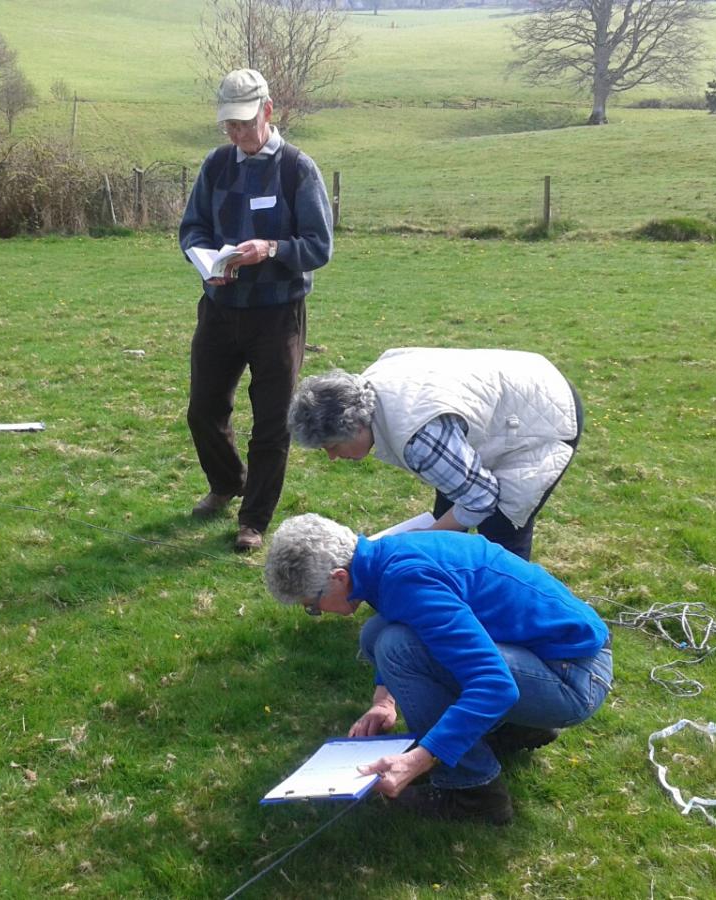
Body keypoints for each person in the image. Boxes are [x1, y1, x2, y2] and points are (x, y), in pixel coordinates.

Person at [263, 513, 612, 825]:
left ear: (339, 577)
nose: (318, 613)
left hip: (572, 678)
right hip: (548, 655)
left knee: (397, 647)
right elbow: (411, 618)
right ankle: (518, 728)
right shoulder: (380, 560)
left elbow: (495, 684)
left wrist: (418, 760)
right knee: (377, 633)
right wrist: (384, 701)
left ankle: (474, 792)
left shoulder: (406, 580)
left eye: (312, 606)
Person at [179, 68, 334, 553]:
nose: (237, 133)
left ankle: (253, 519)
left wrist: (269, 249)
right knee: (203, 410)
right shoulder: (216, 165)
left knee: (271, 423)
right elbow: (193, 229)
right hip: (221, 309)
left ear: (268, 111)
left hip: (277, 315)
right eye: (229, 124)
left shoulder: (296, 169)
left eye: (245, 123)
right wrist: (206, 262)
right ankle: (227, 482)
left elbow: (319, 246)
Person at [287, 347, 583, 560]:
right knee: (450, 513)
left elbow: (482, 497)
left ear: (355, 426)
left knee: (501, 530)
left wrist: (420, 540)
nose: (332, 457)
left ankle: (513, 621)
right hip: (519, 380)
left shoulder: (419, 438)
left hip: (542, 415)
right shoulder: (366, 390)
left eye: (333, 446)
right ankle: (450, 589)